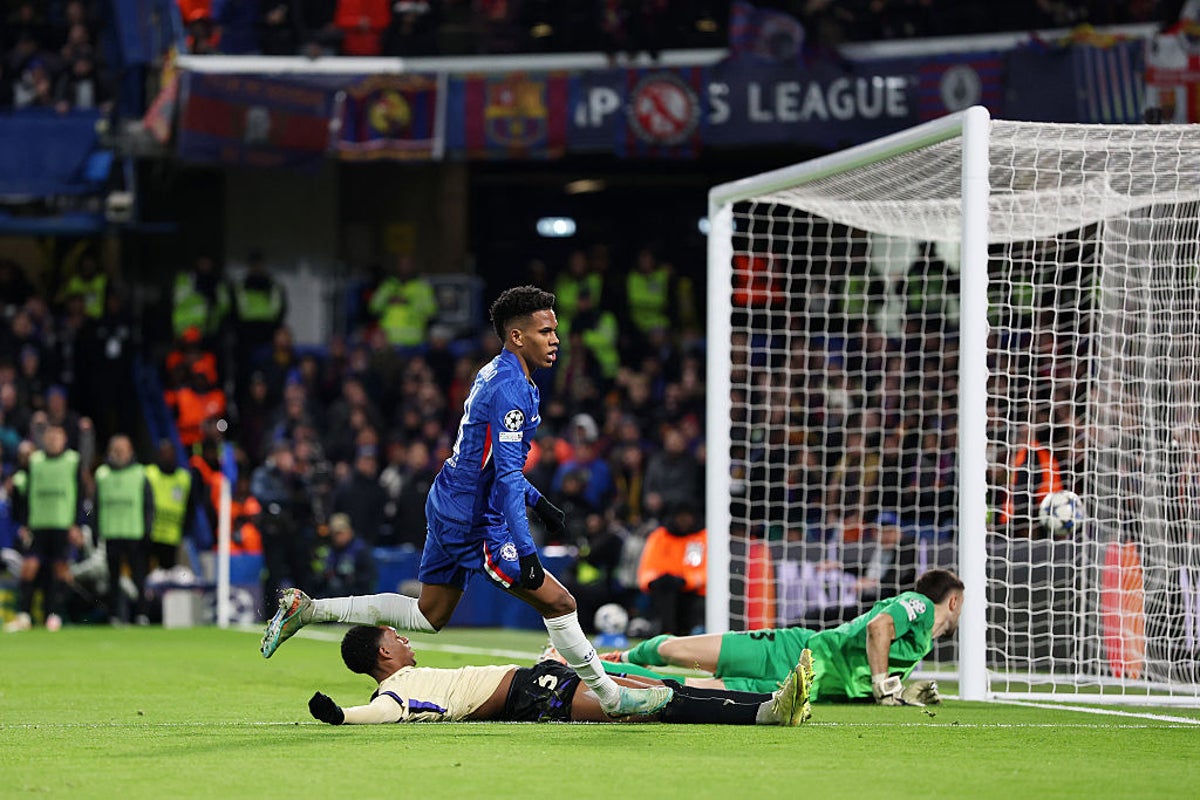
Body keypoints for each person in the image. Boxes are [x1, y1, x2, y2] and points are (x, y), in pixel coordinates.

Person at [262, 285, 674, 718]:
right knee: (560, 603)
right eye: (545, 331)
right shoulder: (511, 388)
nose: (556, 340)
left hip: (450, 499)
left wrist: (540, 502)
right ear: (517, 336)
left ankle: (309, 609)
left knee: (429, 614)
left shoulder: (497, 372)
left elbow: (489, 461)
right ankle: (612, 697)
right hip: (474, 519)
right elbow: (507, 477)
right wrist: (527, 550)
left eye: (555, 330)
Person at [306, 624, 813, 727]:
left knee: (665, 690)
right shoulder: (397, 691)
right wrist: (340, 715)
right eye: (396, 638)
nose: (405, 639)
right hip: (532, 696)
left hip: (537, 680)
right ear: (383, 653)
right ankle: (769, 713)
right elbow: (379, 712)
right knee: (657, 703)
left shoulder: (410, 678)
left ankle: (774, 702)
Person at [599, 568, 962, 705]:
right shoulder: (920, 605)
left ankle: (599, 671)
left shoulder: (918, 644)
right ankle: (621, 659)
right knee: (674, 651)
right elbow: (877, 627)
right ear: (954, 601)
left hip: (797, 687)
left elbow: (864, 682)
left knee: (682, 686)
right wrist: (884, 684)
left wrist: (901, 692)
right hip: (794, 650)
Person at [4, 425, 85, 632]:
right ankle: (24, 615)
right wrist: (24, 522)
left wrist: (77, 524)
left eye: (57, 436)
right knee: (29, 567)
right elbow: (25, 494)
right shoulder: (35, 461)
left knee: (60, 570)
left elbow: (80, 495)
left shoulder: (73, 461)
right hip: (38, 524)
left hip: (62, 524)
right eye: (50, 437)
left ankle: (54, 615)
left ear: (64, 439)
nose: (53, 440)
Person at [93, 434, 155, 625]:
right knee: (113, 579)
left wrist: (147, 529)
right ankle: (114, 615)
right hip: (111, 532)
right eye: (116, 450)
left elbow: (148, 504)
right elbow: (95, 506)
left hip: (134, 533)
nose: (119, 453)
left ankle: (142, 614)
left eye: (122, 450)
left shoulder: (140, 473)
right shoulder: (102, 474)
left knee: (138, 576)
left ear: (130, 452)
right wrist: (95, 531)